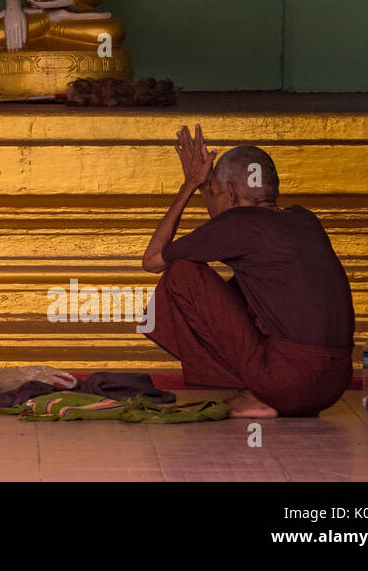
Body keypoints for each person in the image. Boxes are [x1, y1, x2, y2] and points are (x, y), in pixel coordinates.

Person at [140, 125, 355, 418]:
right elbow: (228, 229)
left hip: (287, 382)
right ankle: (261, 394)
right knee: (244, 283)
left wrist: (189, 185)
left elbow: (153, 260)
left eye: (213, 192)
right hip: (333, 385)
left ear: (229, 194)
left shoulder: (240, 225)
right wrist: (209, 189)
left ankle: (261, 392)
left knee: (183, 272)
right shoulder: (305, 220)